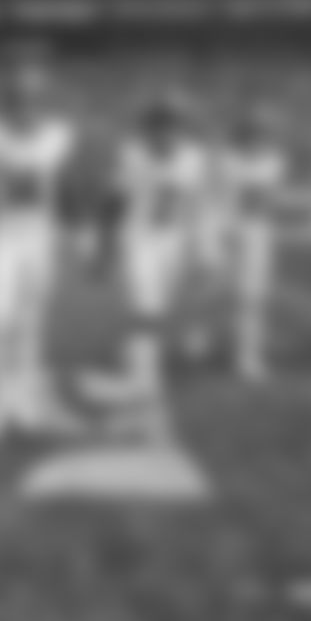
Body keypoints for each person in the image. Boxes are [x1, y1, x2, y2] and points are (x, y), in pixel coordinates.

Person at [80, 97, 209, 441]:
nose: (168, 134)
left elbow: (195, 204)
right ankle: (145, 398)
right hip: (139, 241)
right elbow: (112, 203)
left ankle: (143, 388)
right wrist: (102, 251)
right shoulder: (131, 156)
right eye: (161, 126)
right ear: (149, 129)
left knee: (153, 319)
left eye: (175, 126)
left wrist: (202, 249)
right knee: (144, 315)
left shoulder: (194, 158)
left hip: (172, 243)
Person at [0, 64, 78, 438]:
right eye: (18, 97)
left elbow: (50, 172)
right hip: (1, 236)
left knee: (31, 320)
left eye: (32, 97)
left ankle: (25, 400)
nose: (25, 104)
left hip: (39, 236)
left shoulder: (58, 135)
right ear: (7, 100)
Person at [215, 108, 290, 382]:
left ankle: (248, 356)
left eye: (264, 132)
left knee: (253, 298)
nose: (259, 137)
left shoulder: (274, 161)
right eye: (254, 131)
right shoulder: (228, 161)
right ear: (244, 133)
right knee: (221, 291)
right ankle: (207, 336)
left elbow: (267, 199)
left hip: (258, 236)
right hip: (229, 233)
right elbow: (224, 197)